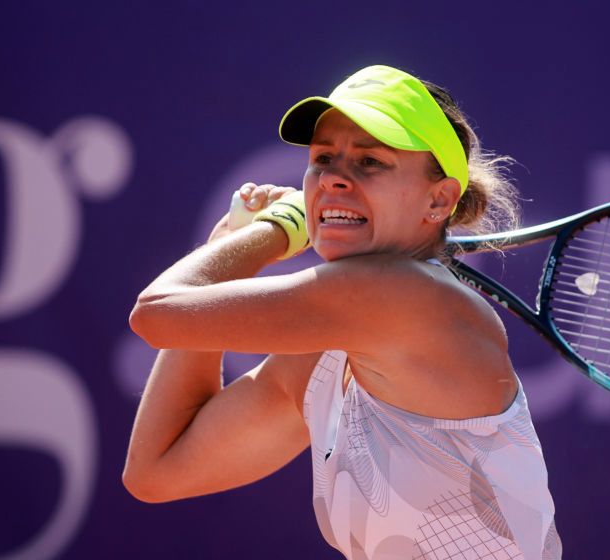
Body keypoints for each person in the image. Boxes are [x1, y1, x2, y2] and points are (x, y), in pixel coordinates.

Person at [124, 65, 562, 559]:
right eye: (323, 159)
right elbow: (157, 470)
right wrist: (225, 248)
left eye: (370, 161)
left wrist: (272, 231)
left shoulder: (399, 295)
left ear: (439, 199)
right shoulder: (320, 360)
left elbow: (156, 315)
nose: (332, 178)